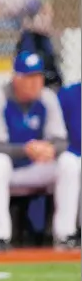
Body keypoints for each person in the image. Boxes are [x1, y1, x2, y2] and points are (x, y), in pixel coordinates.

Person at [0, 51, 74, 252]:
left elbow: (62, 141)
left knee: (70, 162)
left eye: (38, 77)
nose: (34, 83)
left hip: (37, 168)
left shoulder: (47, 99)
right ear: (16, 78)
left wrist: (49, 149)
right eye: (29, 77)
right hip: (8, 170)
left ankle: (66, 235)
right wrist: (27, 150)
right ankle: (0, 238)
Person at [55, 81, 81, 249]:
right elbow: (56, 134)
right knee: (69, 163)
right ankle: (65, 236)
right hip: (70, 154)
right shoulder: (68, 94)